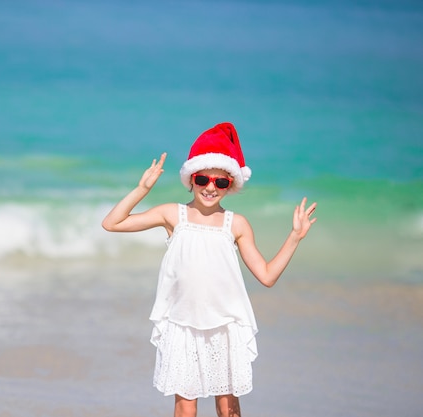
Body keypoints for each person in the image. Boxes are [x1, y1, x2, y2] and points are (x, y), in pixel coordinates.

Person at [101, 122, 317, 417]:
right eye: (203, 179)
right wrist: (142, 189)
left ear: (231, 184)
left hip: (224, 327)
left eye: (221, 182)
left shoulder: (236, 224)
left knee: (228, 409)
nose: (211, 188)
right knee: (185, 409)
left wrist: (294, 238)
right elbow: (112, 223)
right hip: (183, 324)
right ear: (191, 180)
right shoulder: (172, 215)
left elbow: (266, 276)